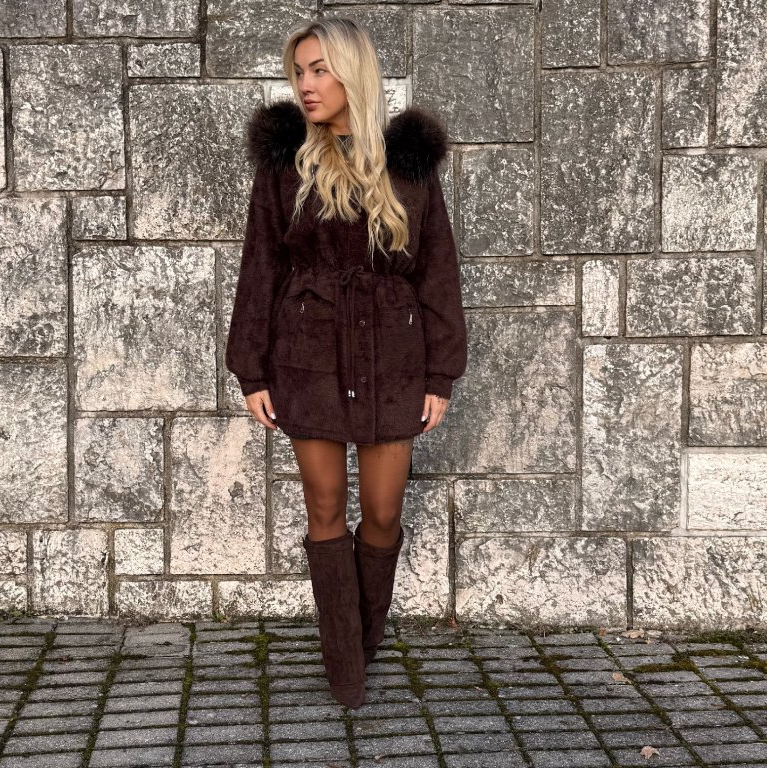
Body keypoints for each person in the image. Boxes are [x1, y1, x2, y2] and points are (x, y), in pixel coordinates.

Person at [225, 17, 467, 709]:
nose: (305, 84)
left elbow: (438, 270)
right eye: (299, 71)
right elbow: (260, 266)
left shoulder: (408, 165)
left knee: (383, 512)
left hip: (393, 358)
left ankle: (361, 638)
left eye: (320, 69)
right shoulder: (284, 167)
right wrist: (252, 369)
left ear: (352, 73)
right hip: (307, 357)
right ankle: (346, 667)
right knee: (325, 505)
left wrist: (440, 373)